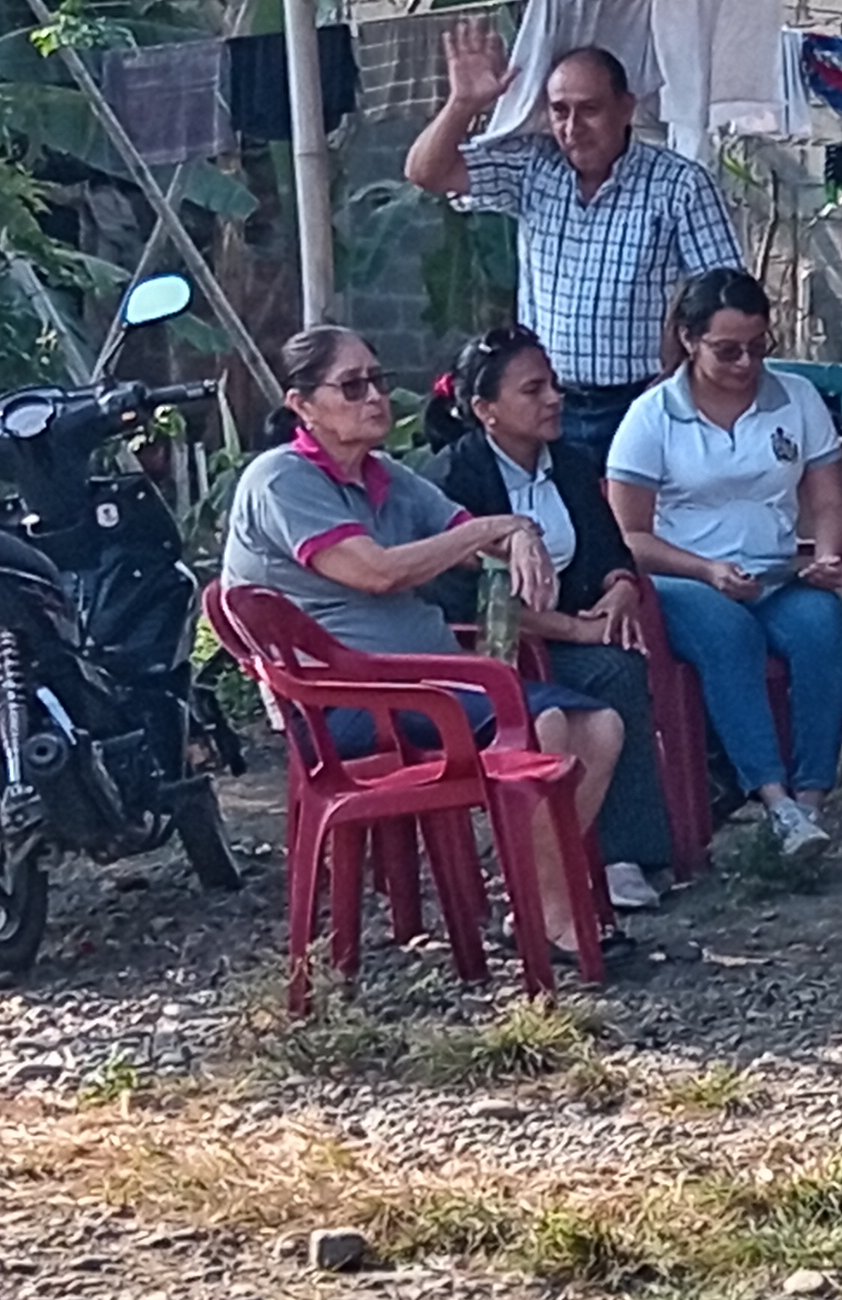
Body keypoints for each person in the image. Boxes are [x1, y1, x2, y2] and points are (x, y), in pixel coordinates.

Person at [222, 324, 625, 923]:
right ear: (302, 405)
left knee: (600, 727)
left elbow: (473, 538)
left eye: (378, 381)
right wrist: (493, 529)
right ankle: (551, 919)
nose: (374, 397)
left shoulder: (386, 475)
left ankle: (536, 902)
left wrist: (518, 534)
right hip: (347, 702)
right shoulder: (283, 479)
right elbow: (377, 572)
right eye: (352, 387)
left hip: (431, 684)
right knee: (544, 725)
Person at [423, 324, 679, 911]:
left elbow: (610, 549)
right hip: (490, 647)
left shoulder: (569, 463)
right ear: (485, 410)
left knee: (621, 662)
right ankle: (564, 865)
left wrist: (619, 590)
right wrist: (573, 630)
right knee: (605, 673)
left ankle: (621, 857)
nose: (554, 399)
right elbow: (463, 600)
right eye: (533, 390)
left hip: (564, 633)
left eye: (554, 386)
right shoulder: (454, 480)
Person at [403, 23, 744, 460]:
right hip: (547, 402)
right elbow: (425, 172)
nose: (572, 127)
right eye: (559, 111)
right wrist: (462, 104)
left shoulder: (679, 185)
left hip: (640, 400)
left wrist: (683, 377)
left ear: (626, 107)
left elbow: (726, 296)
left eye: (590, 109)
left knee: (633, 506)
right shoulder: (534, 167)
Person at [608, 269, 842, 863]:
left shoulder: (796, 398)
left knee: (823, 624)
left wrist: (826, 556)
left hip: (775, 574)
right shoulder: (652, 416)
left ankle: (811, 798)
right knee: (728, 634)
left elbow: (827, 501)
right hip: (682, 582)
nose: (746, 363)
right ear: (689, 340)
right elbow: (628, 537)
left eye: (757, 347)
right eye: (727, 351)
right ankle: (774, 800)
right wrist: (704, 570)